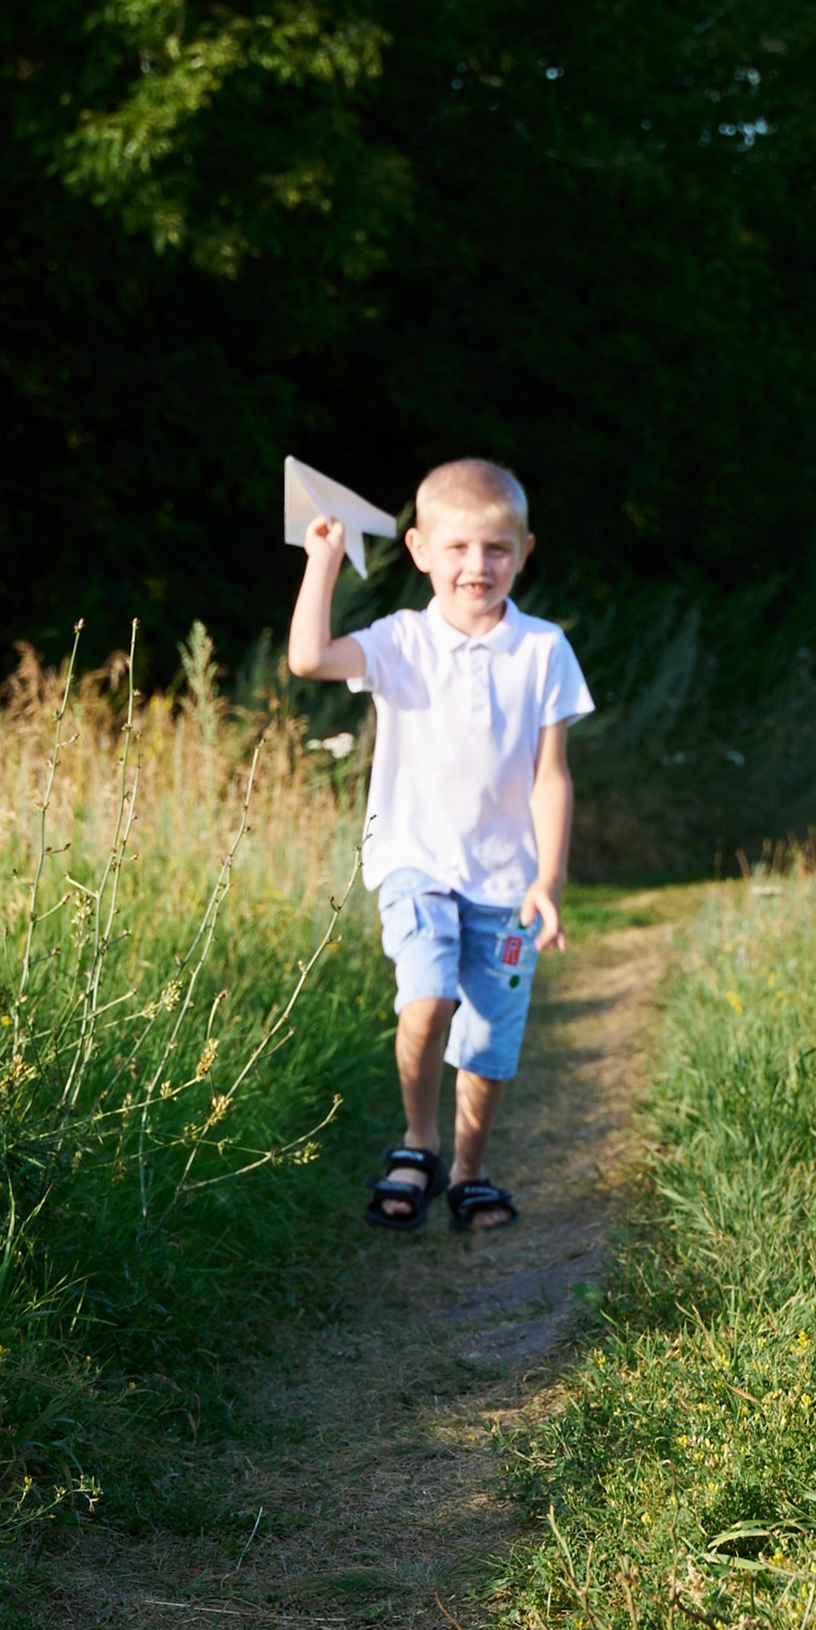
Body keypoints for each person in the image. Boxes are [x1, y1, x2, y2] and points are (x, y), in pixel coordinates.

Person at [288, 458, 593, 1234]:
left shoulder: (543, 649)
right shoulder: (401, 641)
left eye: (496, 549)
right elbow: (309, 659)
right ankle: (418, 1141)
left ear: (525, 552)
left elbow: (550, 777)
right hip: (413, 860)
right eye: (457, 548)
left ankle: (469, 1172)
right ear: (420, 549)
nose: (476, 566)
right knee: (427, 998)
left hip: (507, 882)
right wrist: (323, 562)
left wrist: (548, 882)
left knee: (488, 1041)